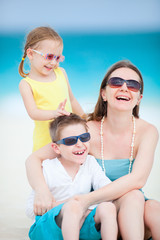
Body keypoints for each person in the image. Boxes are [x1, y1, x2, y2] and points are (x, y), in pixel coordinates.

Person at [25, 60, 160, 239]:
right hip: (99, 209)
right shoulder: (86, 132)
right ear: (103, 93)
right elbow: (34, 159)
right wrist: (42, 190)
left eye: (133, 85)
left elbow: (138, 179)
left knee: (153, 208)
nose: (125, 88)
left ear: (139, 98)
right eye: (116, 82)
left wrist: (84, 200)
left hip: (123, 206)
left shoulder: (148, 131)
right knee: (134, 196)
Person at [27, 114, 118, 240]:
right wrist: (70, 205)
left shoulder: (90, 163)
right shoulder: (48, 168)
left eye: (84, 137)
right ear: (56, 148)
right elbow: (31, 209)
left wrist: (83, 206)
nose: (80, 144)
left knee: (108, 207)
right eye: (70, 141)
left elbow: (108, 190)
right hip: (49, 229)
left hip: (81, 226)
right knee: (73, 206)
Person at [19, 26, 84, 151]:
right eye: (49, 57)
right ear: (31, 54)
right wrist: (54, 113)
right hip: (46, 143)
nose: (54, 62)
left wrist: (84, 119)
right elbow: (33, 113)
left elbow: (72, 100)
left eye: (58, 58)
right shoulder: (26, 84)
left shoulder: (61, 73)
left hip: (69, 140)